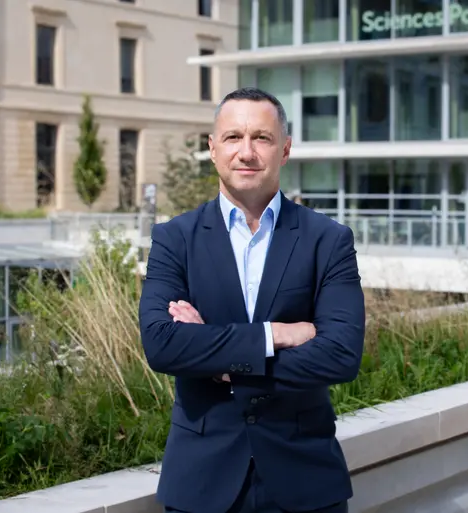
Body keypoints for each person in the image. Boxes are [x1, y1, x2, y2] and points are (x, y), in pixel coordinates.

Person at [138, 87, 366, 513]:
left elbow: (340, 355)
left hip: (306, 480)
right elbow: (162, 344)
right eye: (232, 137)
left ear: (284, 149)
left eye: (261, 138)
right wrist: (273, 336)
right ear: (211, 148)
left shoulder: (328, 240)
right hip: (201, 484)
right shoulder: (175, 240)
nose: (246, 152)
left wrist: (221, 361)